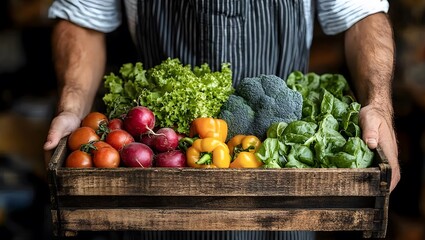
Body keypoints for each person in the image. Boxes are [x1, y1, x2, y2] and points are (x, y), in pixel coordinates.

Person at [43, 0, 400, 239]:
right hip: (162, 175)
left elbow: (361, 14)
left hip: (281, 187)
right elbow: (82, 17)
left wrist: (379, 104)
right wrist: (72, 107)